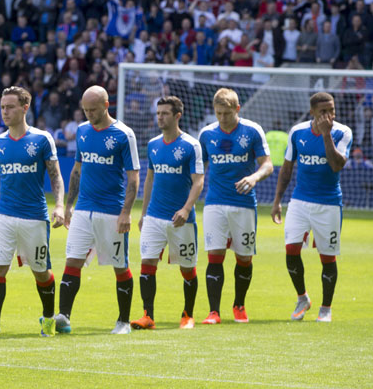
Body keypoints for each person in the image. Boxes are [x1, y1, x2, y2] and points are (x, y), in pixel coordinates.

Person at [0, 86, 64, 339]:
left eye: (10, 107)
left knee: (41, 272)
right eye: (2, 107)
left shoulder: (42, 139)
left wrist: (59, 205)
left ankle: (47, 319)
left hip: (34, 217)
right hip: (4, 215)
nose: (5, 111)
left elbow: (56, 176)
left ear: (25, 108)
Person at [57, 85, 140, 335]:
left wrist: (126, 212)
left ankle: (123, 321)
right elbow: (77, 170)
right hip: (83, 210)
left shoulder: (124, 134)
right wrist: (69, 205)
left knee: (119, 265)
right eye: (85, 110)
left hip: (112, 212)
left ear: (106, 105)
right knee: (72, 261)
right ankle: (63, 316)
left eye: (93, 109)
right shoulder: (82, 131)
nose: (89, 114)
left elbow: (134, 178)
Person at [271, 92, 352, 323]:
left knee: (327, 257)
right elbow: (287, 169)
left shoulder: (342, 132)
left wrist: (327, 136)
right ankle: (302, 298)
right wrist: (277, 201)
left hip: (328, 204)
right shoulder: (297, 132)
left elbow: (336, 166)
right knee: (291, 250)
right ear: (312, 113)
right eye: (324, 111)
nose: (329, 115)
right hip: (299, 201)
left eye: (332, 110)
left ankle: (326, 308)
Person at [197, 88, 273, 325]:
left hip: (243, 204)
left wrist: (254, 178)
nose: (222, 118)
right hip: (215, 203)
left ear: (237, 109)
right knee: (215, 255)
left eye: (226, 114)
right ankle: (213, 312)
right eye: (218, 113)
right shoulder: (207, 134)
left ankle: (239, 304)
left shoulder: (252, 131)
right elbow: (199, 172)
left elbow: (268, 165)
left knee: (244, 258)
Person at [133, 96, 205, 330]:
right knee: (147, 263)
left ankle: (188, 315)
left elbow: (198, 181)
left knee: (187, 268)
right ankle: (148, 316)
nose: (160, 117)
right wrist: (143, 213)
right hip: (154, 216)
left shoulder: (191, 145)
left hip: (181, 220)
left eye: (165, 113)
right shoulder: (153, 144)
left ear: (177, 116)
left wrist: (186, 209)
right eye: (158, 113)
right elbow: (150, 179)